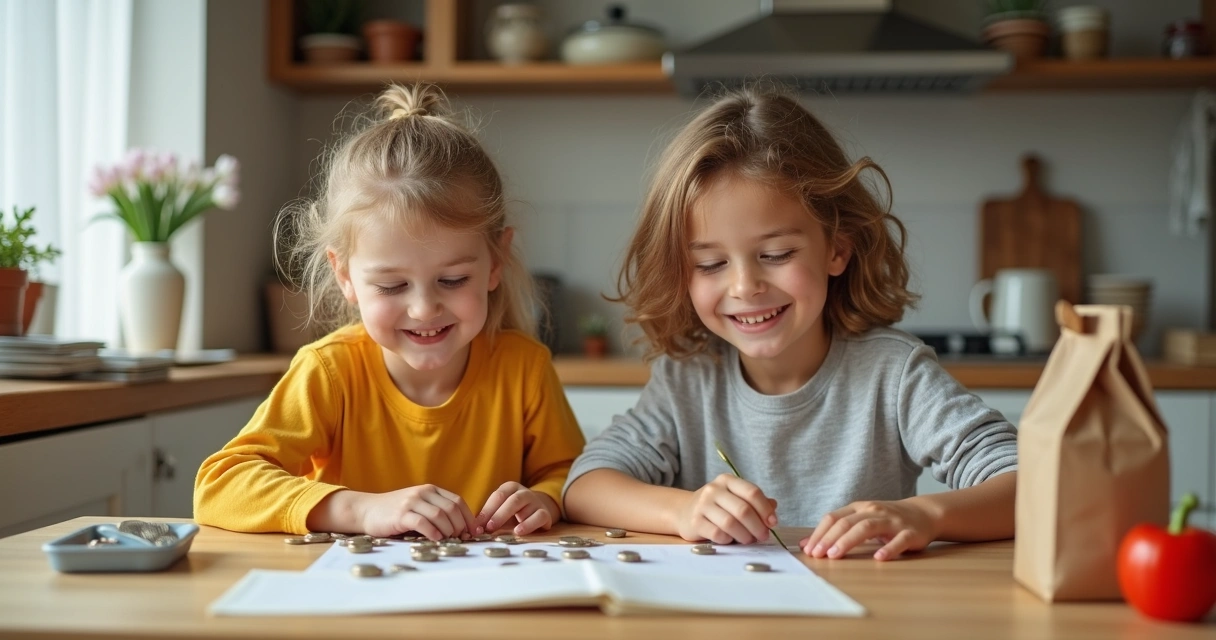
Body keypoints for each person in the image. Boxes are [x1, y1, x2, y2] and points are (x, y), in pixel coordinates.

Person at [563, 85, 1017, 561]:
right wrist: (683, 511)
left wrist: (927, 515)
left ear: (837, 248)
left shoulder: (893, 373)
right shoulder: (688, 379)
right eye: (711, 264)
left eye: (776, 255)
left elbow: (1031, 482)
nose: (744, 286)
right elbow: (587, 485)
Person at [194, 83, 585, 541]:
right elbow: (220, 485)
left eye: (453, 280)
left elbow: (572, 474)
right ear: (344, 276)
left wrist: (546, 498)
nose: (423, 308)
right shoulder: (331, 371)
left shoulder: (524, 367)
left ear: (495, 262)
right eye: (392, 285)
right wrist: (360, 510)